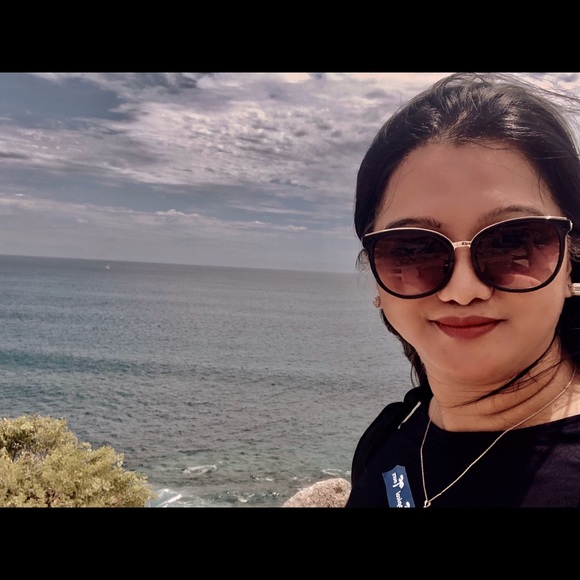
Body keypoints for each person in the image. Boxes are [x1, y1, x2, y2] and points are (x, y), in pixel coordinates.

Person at [345, 72, 580, 508]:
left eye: (513, 242)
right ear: (376, 277)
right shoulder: (391, 435)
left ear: (570, 264)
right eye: (413, 250)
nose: (463, 290)